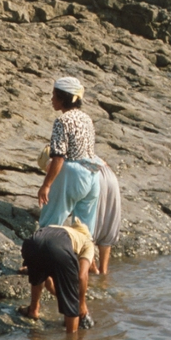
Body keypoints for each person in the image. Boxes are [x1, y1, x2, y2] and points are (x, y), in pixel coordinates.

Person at [37, 77, 101, 234]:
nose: (51, 99)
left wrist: (46, 185)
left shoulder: (62, 120)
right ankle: (85, 257)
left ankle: (44, 256)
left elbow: (59, 157)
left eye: (54, 95)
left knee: (50, 224)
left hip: (73, 174)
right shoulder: (87, 118)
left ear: (63, 97)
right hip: (93, 175)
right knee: (84, 232)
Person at [18, 218, 95, 333]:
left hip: (31, 244)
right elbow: (82, 276)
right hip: (58, 249)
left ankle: (33, 309)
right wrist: (81, 304)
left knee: (39, 272)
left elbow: (47, 277)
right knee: (72, 303)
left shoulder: (59, 228)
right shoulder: (87, 242)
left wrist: (59, 293)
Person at [92, 160, 122, 274]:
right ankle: (103, 271)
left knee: (88, 225)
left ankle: (93, 269)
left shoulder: (58, 156)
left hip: (93, 175)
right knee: (108, 222)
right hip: (109, 174)